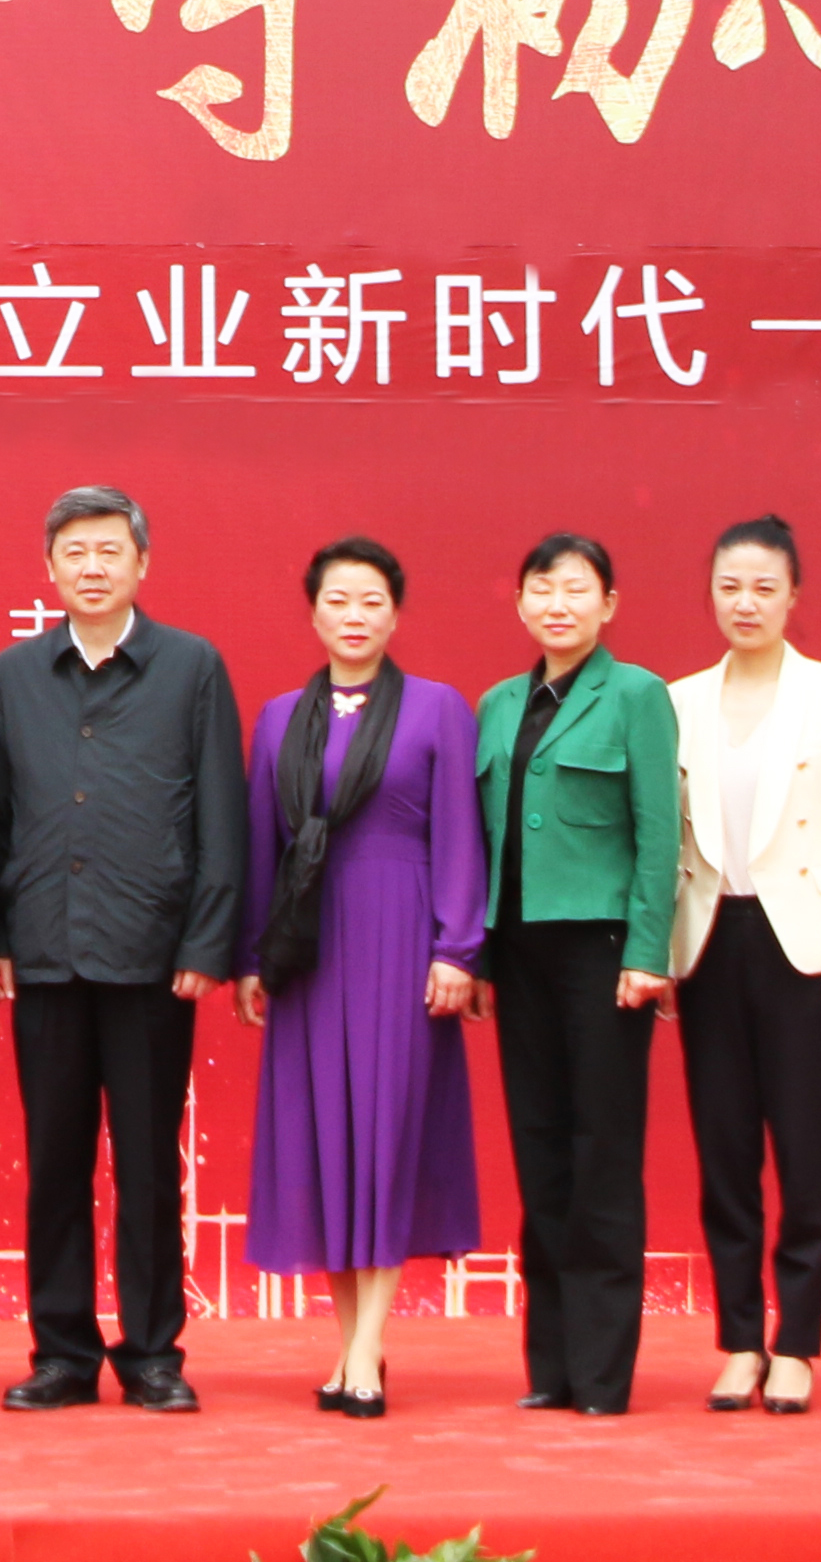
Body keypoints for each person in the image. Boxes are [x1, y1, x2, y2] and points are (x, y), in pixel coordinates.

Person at [0, 485, 242, 1415]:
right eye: (75, 553)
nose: (92, 568)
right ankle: (61, 1353)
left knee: (147, 1164)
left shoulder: (191, 667)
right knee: (54, 1162)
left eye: (108, 552)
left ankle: (153, 1354)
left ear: (142, 564)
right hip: (46, 951)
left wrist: (206, 938)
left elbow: (221, 814)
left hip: (151, 955)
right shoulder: (14, 675)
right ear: (48, 568)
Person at [229, 538, 482, 1423]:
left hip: (402, 937)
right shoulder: (277, 719)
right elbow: (260, 846)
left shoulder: (439, 708)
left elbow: (460, 836)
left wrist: (457, 949)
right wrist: (252, 959)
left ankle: (369, 1348)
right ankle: (350, 1348)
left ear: (395, 613)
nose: (354, 616)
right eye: (338, 600)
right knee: (327, 1145)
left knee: (387, 1136)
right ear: (313, 613)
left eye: (372, 601)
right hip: (309, 951)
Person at [666, 515, 821, 1418]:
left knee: (803, 1151)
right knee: (724, 1154)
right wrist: (658, 954)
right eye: (729, 586)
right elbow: (667, 841)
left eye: (763, 587)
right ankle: (740, 1341)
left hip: (804, 947)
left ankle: (797, 1344)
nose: (744, 602)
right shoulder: (677, 700)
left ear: (794, 595)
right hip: (711, 942)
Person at [470, 532, 678, 1415]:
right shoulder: (496, 703)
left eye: (577, 588)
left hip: (602, 954)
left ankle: (601, 1372)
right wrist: (479, 955)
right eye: (542, 589)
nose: (558, 604)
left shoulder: (637, 694)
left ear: (609, 604)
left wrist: (646, 950)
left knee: (603, 1152)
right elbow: (483, 840)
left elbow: (660, 830)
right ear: (521, 603)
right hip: (519, 953)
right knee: (541, 1149)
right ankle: (550, 1367)